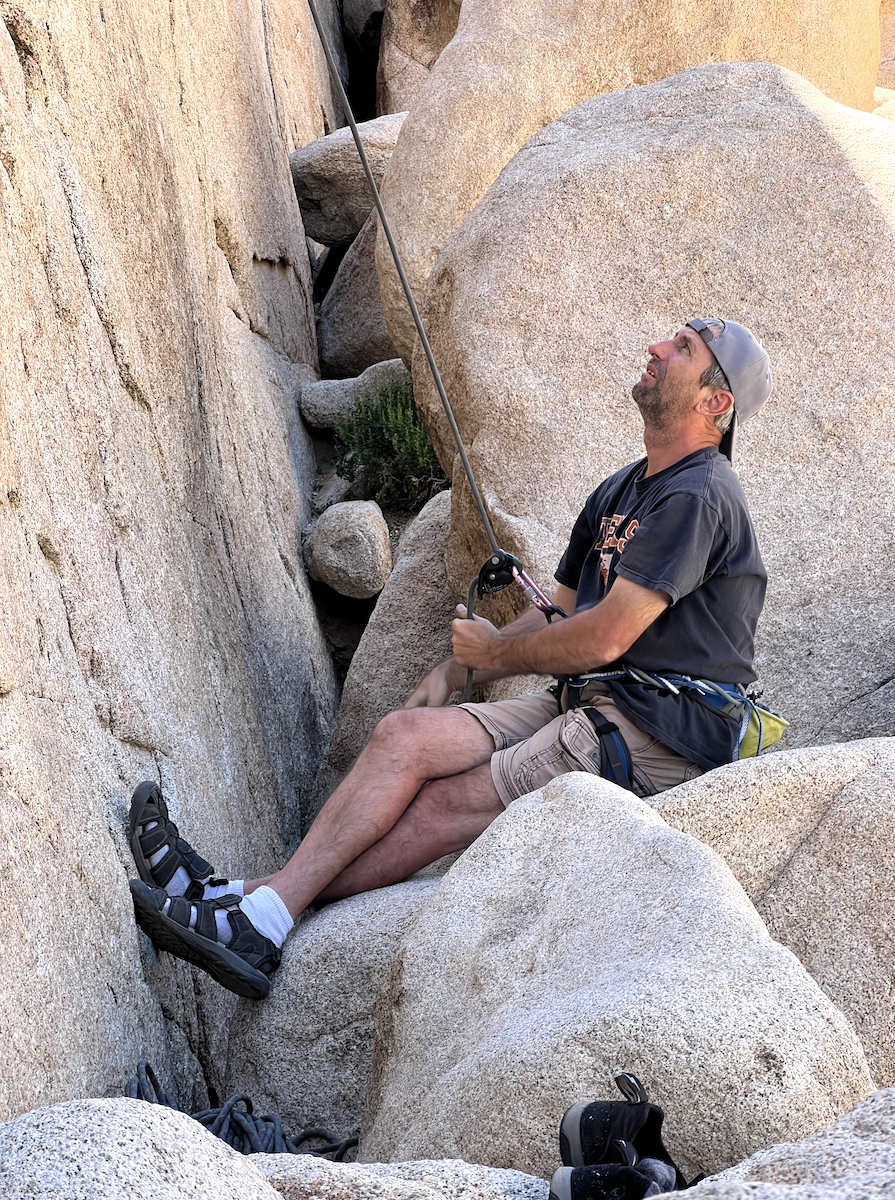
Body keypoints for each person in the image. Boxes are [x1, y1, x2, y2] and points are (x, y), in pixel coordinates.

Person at [129, 317, 773, 1000]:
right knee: (404, 738)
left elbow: (605, 637)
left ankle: (250, 911)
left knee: (439, 806)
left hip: (660, 732)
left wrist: (497, 649)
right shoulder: (625, 488)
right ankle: (242, 903)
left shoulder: (701, 494)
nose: (655, 347)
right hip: (596, 701)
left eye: (682, 349)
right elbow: (560, 609)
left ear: (715, 402)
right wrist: (464, 670)